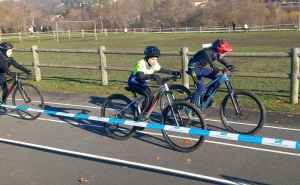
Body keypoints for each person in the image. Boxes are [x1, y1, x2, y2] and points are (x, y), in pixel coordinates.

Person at [127, 46, 181, 129]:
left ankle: (144, 115)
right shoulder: (141, 63)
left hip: (142, 84)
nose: (154, 61)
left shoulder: (154, 64)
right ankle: (141, 117)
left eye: (156, 59)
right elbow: (140, 77)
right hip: (134, 82)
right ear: (147, 58)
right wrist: (153, 76)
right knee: (149, 95)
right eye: (152, 59)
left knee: (151, 98)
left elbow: (162, 70)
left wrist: (173, 72)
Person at [187, 38, 234, 107]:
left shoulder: (216, 53)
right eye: (223, 52)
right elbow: (207, 53)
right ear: (218, 50)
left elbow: (220, 59)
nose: (224, 54)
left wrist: (228, 65)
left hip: (201, 68)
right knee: (200, 88)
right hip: (193, 69)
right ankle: (189, 108)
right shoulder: (208, 51)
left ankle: (206, 97)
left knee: (217, 79)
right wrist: (213, 66)